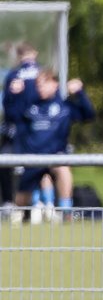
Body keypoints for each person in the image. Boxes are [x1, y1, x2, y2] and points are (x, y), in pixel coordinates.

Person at [11, 69, 95, 223]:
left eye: (44, 83)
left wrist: (80, 93)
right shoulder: (31, 106)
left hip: (55, 156)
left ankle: (66, 212)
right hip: (33, 159)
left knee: (63, 169)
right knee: (20, 205)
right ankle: (28, 211)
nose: (40, 87)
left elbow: (89, 115)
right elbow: (12, 115)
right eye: (38, 84)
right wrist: (15, 95)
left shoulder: (65, 107)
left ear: (55, 84)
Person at [1, 42, 41, 211]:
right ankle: (34, 203)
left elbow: (7, 105)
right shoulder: (39, 73)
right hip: (33, 130)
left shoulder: (15, 74)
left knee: (7, 163)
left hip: (25, 130)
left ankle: (12, 201)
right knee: (10, 163)